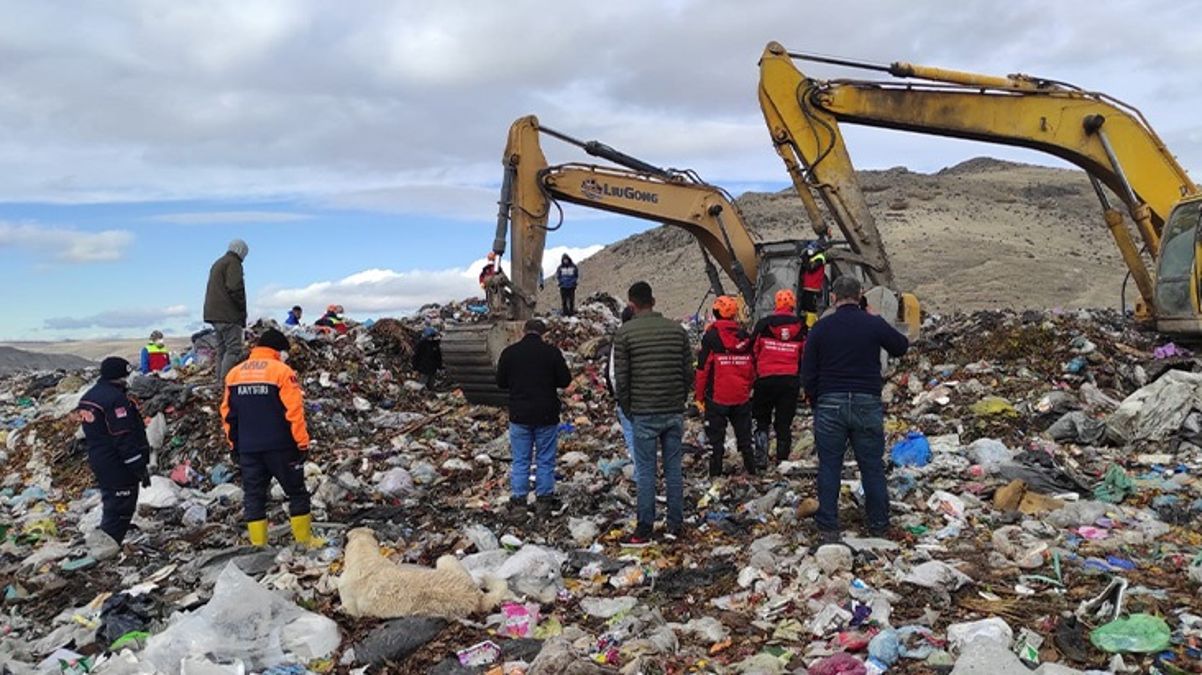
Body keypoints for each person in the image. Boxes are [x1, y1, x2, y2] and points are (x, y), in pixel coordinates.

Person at [801, 276, 909, 542]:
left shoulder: (821, 328)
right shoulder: (872, 324)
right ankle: (879, 524)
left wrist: (817, 401)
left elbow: (808, 371)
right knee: (871, 465)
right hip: (866, 401)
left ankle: (828, 525)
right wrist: (874, 316)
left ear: (834, 297)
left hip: (830, 402)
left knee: (829, 466)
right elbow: (900, 346)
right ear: (860, 296)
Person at [613, 281, 693, 547]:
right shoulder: (677, 331)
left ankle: (644, 529)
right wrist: (679, 400)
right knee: (673, 470)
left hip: (644, 413)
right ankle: (675, 526)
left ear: (632, 305)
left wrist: (628, 409)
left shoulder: (625, 334)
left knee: (646, 472)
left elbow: (621, 380)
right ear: (654, 301)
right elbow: (687, 373)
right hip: (673, 411)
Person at [221, 329, 315, 547]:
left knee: (254, 496)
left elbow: (228, 414)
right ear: (278, 350)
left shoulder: (235, 374)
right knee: (297, 492)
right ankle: (304, 541)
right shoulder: (282, 371)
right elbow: (294, 411)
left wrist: (234, 445)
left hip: (248, 448)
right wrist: (302, 443)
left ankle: (258, 546)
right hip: (281, 446)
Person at [496, 319, 572, 518]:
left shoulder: (510, 353)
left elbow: (501, 382)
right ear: (543, 333)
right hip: (546, 414)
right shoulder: (552, 353)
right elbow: (565, 380)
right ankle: (543, 504)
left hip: (519, 414)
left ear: (524, 331)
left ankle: (519, 503)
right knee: (545, 460)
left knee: (521, 460)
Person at [77, 357, 151, 545]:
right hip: (117, 463)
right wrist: (138, 465)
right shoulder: (115, 400)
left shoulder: (89, 396)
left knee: (113, 504)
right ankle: (105, 548)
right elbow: (123, 436)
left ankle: (104, 542)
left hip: (99, 458)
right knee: (120, 507)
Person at [694, 296, 757, 477]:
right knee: (745, 437)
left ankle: (715, 474)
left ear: (715, 313)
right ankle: (752, 470)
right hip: (741, 396)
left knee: (716, 441)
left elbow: (703, 368)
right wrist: (747, 387)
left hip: (717, 397)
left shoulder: (711, 337)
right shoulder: (744, 337)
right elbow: (752, 368)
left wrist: (699, 397)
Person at [751, 289, 807, 464]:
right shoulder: (801, 326)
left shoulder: (764, 325)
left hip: (765, 378)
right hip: (789, 380)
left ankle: (761, 457)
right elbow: (805, 355)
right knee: (784, 422)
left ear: (776, 304)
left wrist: (753, 375)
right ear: (793, 304)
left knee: (761, 420)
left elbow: (753, 350)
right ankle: (782, 459)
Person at [204, 239, 249, 383]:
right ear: (241, 251)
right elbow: (235, 288)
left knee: (222, 350)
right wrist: (242, 311)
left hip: (214, 314)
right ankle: (226, 383)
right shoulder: (233, 263)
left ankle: (219, 382)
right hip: (228, 315)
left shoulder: (218, 263)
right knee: (233, 349)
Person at [604, 306, 638, 470]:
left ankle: (642, 477)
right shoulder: (645, 337)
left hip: (627, 399)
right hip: (649, 398)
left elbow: (611, 373)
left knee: (632, 438)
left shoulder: (620, 338)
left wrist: (617, 396)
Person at [800, 241, 827, 327]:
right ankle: (806, 324)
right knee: (805, 308)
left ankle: (810, 326)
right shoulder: (813, 257)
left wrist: (805, 259)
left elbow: (811, 268)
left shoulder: (820, 258)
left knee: (811, 309)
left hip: (814, 288)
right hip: (808, 287)